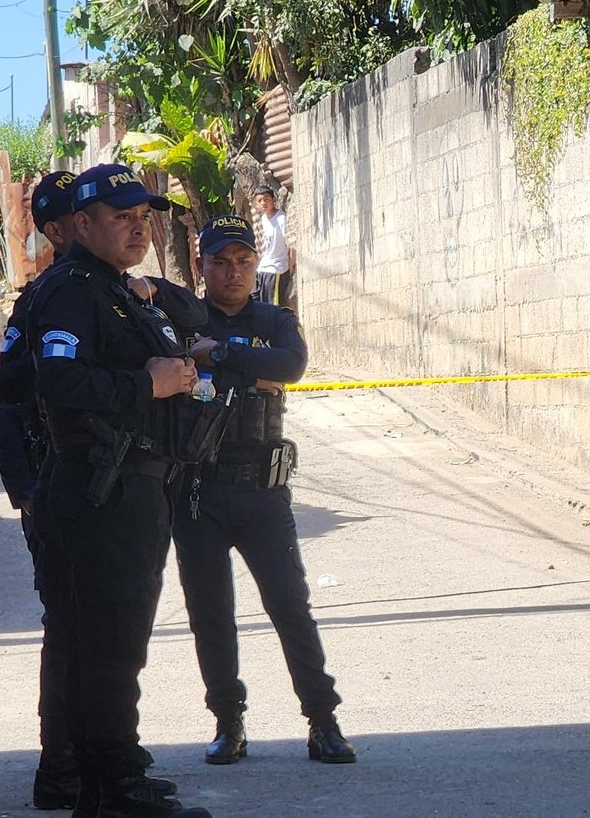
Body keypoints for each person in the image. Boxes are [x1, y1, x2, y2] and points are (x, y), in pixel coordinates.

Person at [30, 163, 212, 818]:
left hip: (137, 485)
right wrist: (147, 384)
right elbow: (57, 381)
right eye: (121, 217)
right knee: (107, 643)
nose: (138, 228)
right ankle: (114, 785)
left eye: (143, 217)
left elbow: (191, 319)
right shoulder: (72, 290)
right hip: (102, 488)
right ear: (81, 224)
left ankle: (107, 780)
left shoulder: (117, 288)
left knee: (113, 641)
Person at [176, 216, 354, 767]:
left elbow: (291, 366)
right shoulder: (183, 319)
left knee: (290, 607)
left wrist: (219, 356)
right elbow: (176, 372)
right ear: (201, 265)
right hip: (198, 492)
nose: (233, 272)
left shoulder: (275, 319)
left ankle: (322, 721)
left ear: (256, 266)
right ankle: (228, 722)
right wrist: (251, 373)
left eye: (244, 262)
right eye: (220, 262)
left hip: (262, 490)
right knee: (211, 614)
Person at [251, 187, 291, 305]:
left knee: (274, 306)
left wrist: (291, 265)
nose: (263, 203)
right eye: (260, 201)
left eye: (266, 199)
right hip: (262, 269)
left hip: (276, 269)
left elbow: (292, 243)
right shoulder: (261, 220)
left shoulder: (281, 219)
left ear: (273, 200)